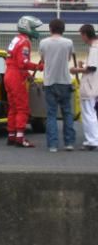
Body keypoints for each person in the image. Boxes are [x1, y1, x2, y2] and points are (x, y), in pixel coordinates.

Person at [4, 16, 44, 148]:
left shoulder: (16, 39)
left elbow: (14, 61)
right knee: (22, 108)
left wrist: (27, 74)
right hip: (16, 76)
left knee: (13, 107)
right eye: (33, 28)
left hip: (8, 74)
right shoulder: (25, 41)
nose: (35, 31)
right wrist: (37, 67)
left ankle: (11, 136)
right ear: (27, 27)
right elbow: (23, 62)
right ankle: (20, 138)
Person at [39, 18, 75, 152]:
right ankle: (69, 143)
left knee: (51, 114)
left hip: (49, 82)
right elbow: (68, 59)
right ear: (63, 29)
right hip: (65, 81)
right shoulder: (69, 42)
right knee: (67, 113)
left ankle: (53, 145)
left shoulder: (43, 42)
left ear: (50, 28)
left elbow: (42, 59)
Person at [70, 24, 98, 150]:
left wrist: (76, 69)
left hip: (90, 85)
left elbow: (92, 68)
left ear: (85, 34)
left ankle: (92, 141)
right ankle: (93, 139)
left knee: (88, 113)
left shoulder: (94, 48)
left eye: (81, 35)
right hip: (94, 84)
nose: (81, 38)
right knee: (91, 112)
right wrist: (84, 65)